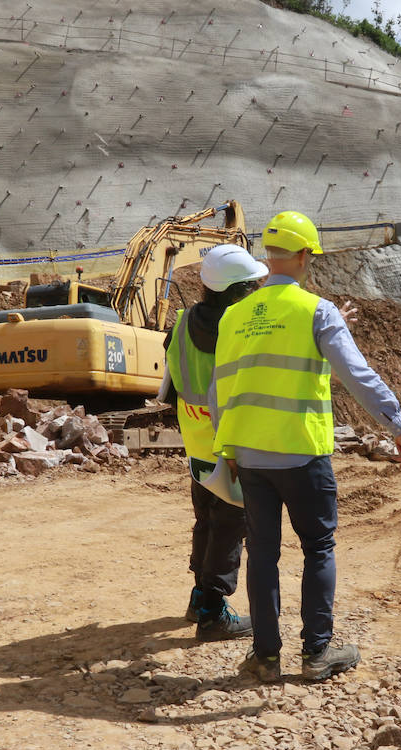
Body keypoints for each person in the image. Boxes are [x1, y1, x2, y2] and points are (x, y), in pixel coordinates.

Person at [212, 211, 401, 684]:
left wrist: (227, 450)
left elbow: (219, 388)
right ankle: (316, 655)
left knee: (262, 552)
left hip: (249, 456)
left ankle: (265, 656)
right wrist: (395, 422)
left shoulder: (234, 316)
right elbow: (355, 374)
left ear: (269, 256)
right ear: (304, 256)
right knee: (318, 548)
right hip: (302, 453)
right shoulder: (317, 311)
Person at [159, 244, 267, 642]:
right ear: (236, 290)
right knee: (230, 524)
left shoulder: (182, 323)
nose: (256, 290)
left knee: (206, 517)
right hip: (230, 443)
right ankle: (212, 611)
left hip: (196, 442)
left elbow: (170, 384)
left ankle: (199, 595)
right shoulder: (239, 329)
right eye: (251, 285)